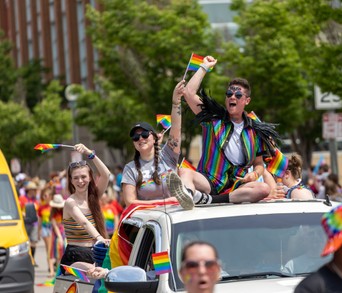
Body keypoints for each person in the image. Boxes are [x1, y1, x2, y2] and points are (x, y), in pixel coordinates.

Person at [167, 55, 281, 206]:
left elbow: (259, 163)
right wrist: (204, 67)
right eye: (229, 94)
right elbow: (188, 93)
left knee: (263, 188)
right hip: (209, 181)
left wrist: (254, 174)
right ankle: (188, 196)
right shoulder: (213, 120)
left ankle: (206, 200)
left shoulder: (255, 131)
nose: (232, 97)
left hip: (236, 185)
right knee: (184, 172)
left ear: (247, 101)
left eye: (238, 95)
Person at [121, 80, 193, 209]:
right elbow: (130, 202)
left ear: (154, 138)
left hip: (178, 215)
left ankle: (195, 195)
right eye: (135, 137)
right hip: (150, 220)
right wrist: (165, 202)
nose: (140, 139)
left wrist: (176, 102)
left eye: (144, 135)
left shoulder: (167, 155)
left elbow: (176, 128)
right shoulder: (130, 169)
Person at [60, 143, 110, 273]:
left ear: (90, 178)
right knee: (94, 272)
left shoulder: (94, 197)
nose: (80, 181)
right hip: (75, 255)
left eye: (83, 177)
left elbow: (106, 174)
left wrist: (90, 154)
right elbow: (84, 222)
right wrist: (99, 238)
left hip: (95, 252)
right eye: (75, 178)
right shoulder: (70, 202)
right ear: (70, 180)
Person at [19, 181, 40, 261]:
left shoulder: (35, 200)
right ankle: (25, 259)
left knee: (34, 242)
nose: (34, 191)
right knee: (24, 242)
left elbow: (38, 210)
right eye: (32, 189)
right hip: (25, 223)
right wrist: (23, 213)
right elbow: (18, 208)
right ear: (28, 190)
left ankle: (32, 259)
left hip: (34, 223)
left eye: (34, 190)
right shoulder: (22, 198)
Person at [37, 186, 55, 276]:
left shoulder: (54, 206)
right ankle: (51, 269)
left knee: (54, 249)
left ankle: (52, 266)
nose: (44, 197)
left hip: (53, 229)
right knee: (49, 249)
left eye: (46, 195)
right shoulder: (41, 207)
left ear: (51, 196)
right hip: (45, 229)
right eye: (43, 195)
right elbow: (39, 221)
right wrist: (38, 232)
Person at [50, 193, 66, 272]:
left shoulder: (64, 212)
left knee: (64, 250)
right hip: (56, 234)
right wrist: (59, 236)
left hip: (64, 233)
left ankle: (62, 268)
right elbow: (55, 226)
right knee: (56, 250)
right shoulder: (53, 214)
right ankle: (56, 269)